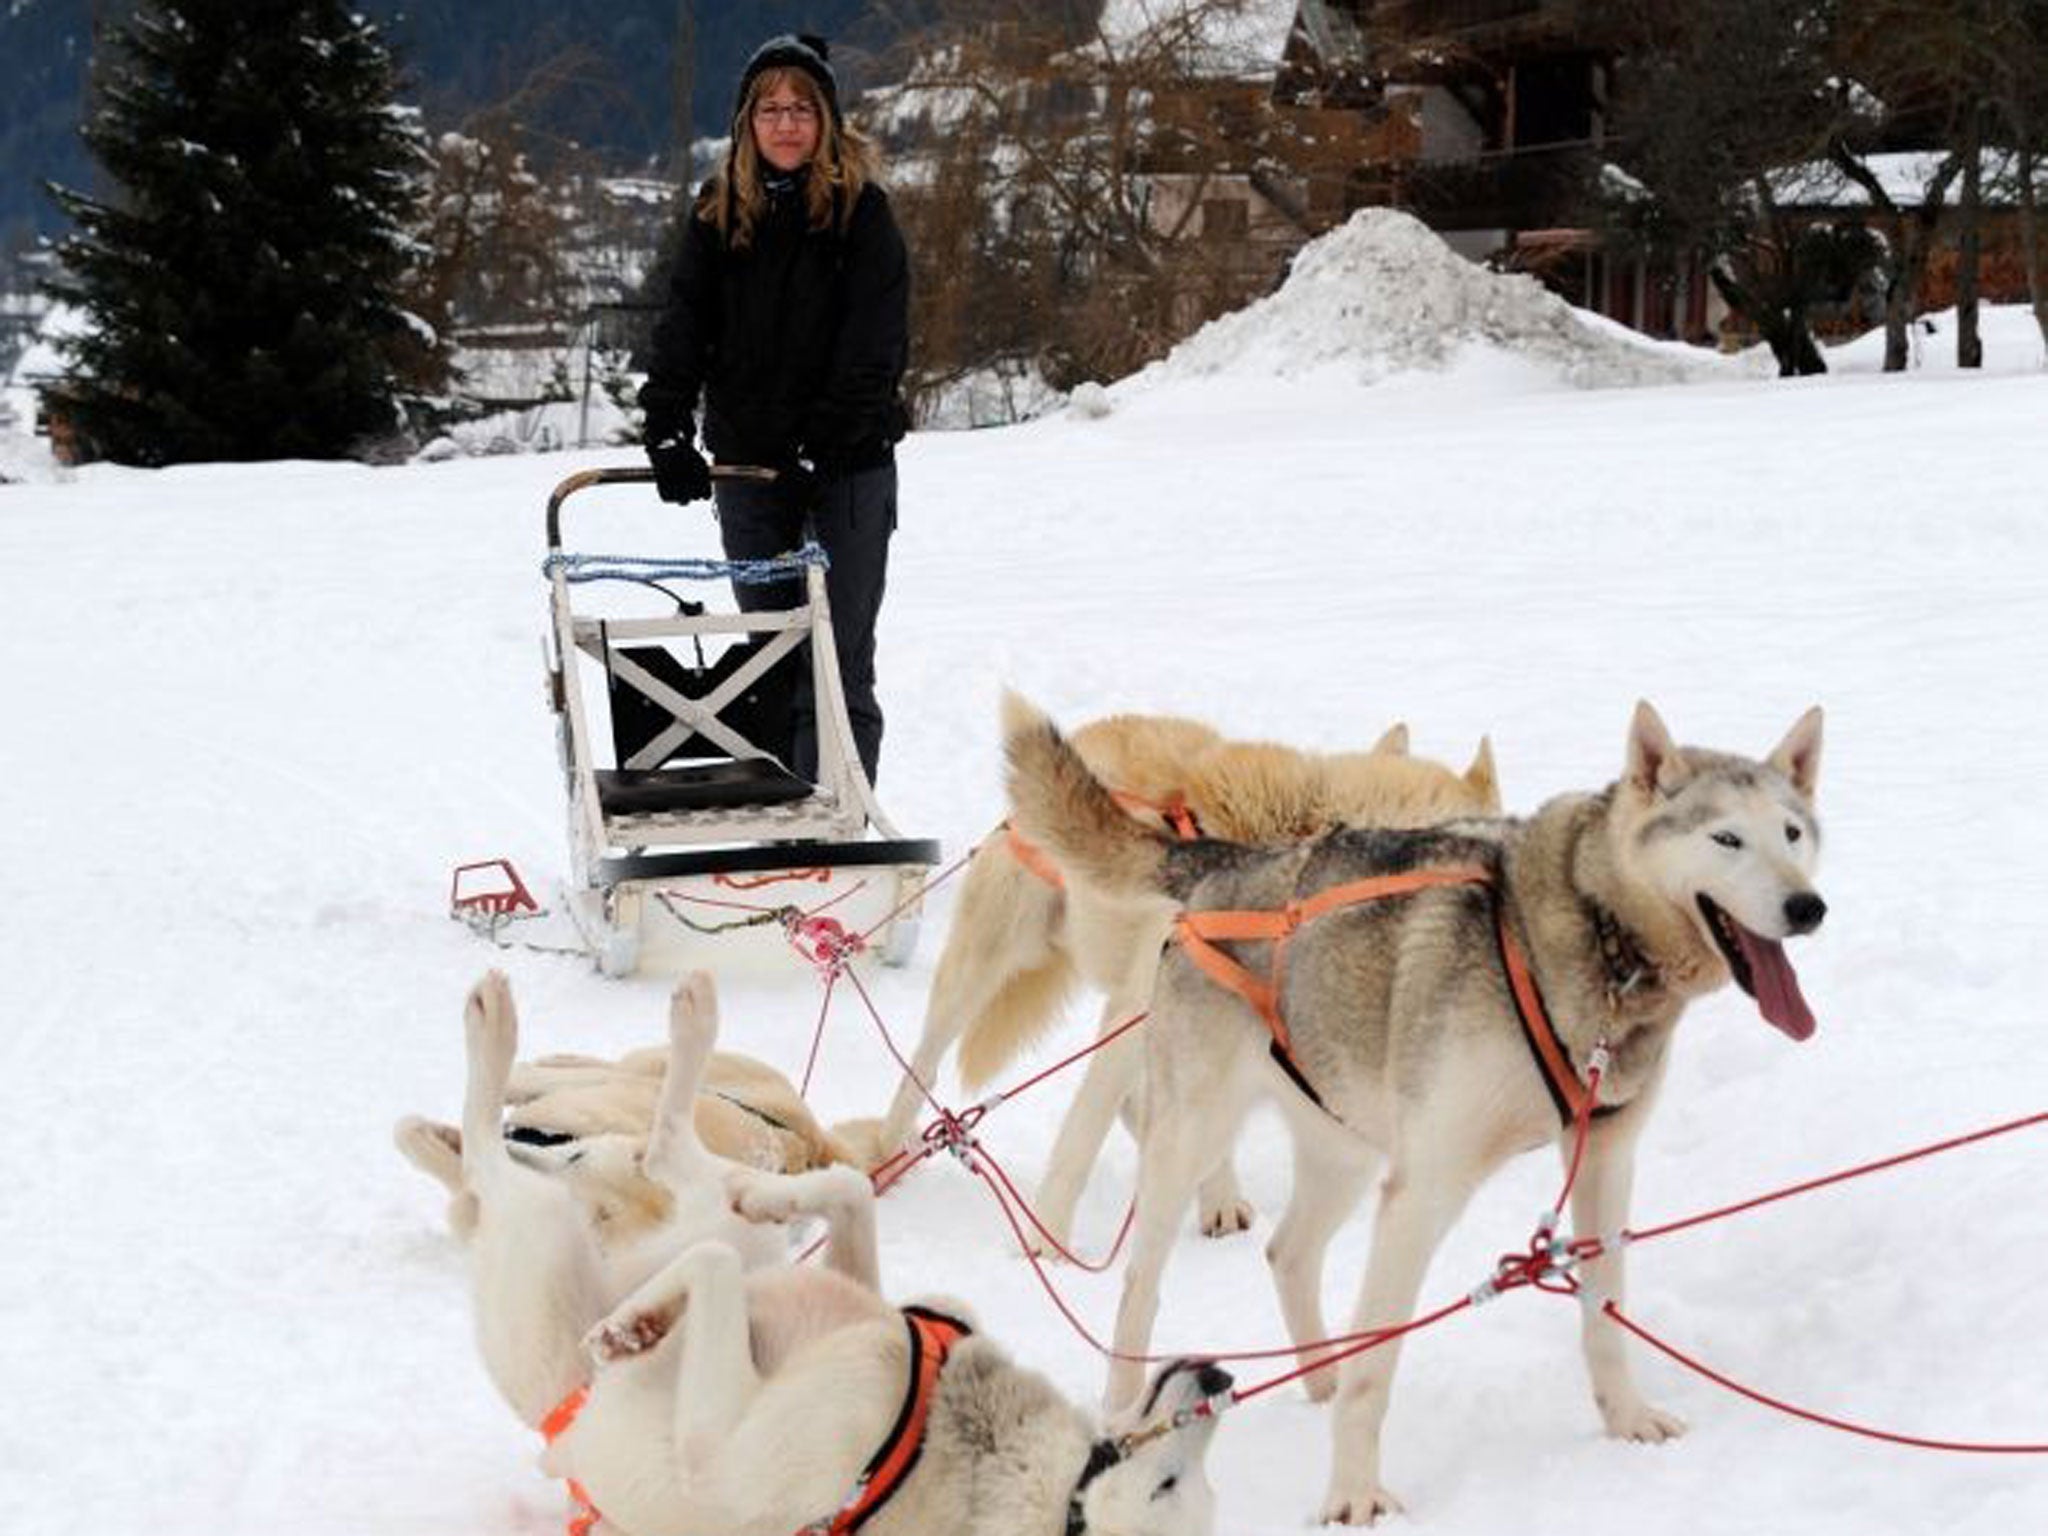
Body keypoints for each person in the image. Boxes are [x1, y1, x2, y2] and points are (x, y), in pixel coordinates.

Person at [640, 32, 910, 788]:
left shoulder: (864, 217)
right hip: (748, 468)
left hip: (846, 471)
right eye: (770, 110)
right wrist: (667, 427)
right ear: (746, 124)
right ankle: (782, 819)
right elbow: (683, 324)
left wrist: (821, 443)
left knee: (837, 654)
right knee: (770, 647)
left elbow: (874, 349)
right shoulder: (718, 215)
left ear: (825, 120)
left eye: (801, 109)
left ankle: (841, 823)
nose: (786, 124)